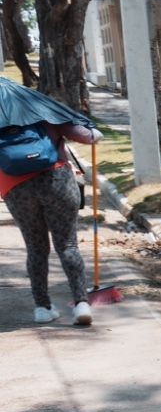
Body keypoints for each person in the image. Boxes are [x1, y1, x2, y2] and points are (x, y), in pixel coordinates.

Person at [3, 119, 99, 326]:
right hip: (56, 180)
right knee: (67, 245)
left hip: (15, 189)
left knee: (36, 249)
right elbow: (87, 136)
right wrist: (93, 133)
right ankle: (82, 304)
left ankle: (42, 309)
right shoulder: (42, 113)